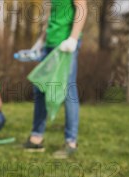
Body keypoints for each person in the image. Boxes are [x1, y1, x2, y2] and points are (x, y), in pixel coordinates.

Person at [23, 0, 87, 158]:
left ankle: (70, 142)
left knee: (67, 90)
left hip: (65, 44)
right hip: (50, 45)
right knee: (40, 88)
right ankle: (36, 138)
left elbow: (82, 8)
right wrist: (41, 42)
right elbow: (52, 16)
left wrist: (73, 39)